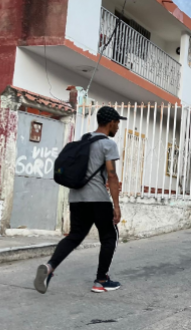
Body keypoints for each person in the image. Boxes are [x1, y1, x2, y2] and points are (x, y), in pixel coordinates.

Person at [34, 106, 125, 294]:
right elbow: (112, 176)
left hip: (76, 198)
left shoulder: (85, 140)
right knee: (109, 236)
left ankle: (50, 267)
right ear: (110, 123)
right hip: (99, 199)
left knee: (74, 236)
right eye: (117, 124)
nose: (118, 127)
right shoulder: (108, 144)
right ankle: (101, 280)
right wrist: (116, 205)